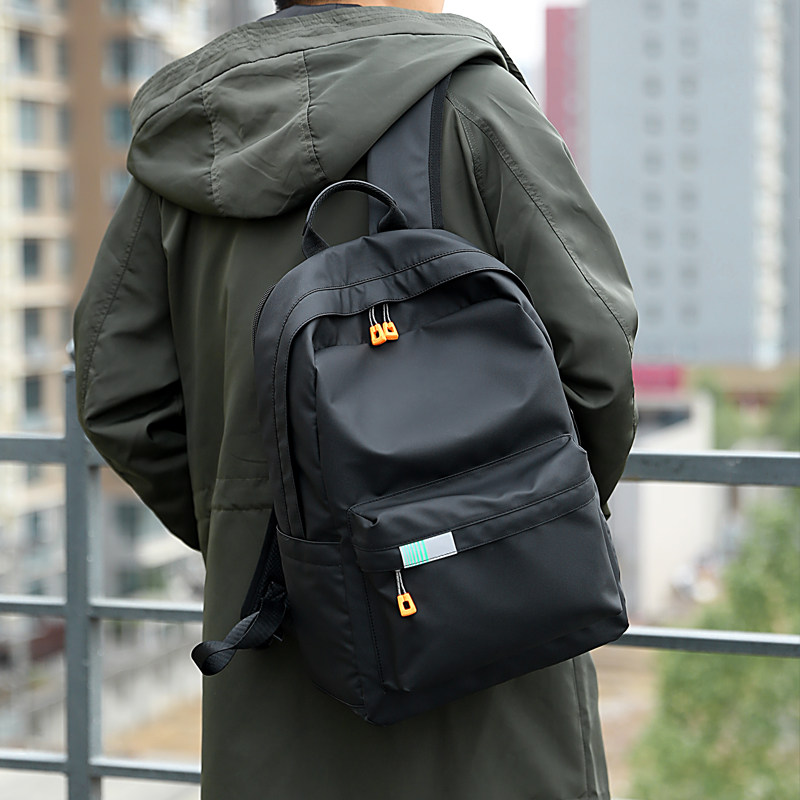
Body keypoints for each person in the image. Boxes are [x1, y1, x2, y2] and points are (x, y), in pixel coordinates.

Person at [74, 1, 637, 798]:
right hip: (491, 643)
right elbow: (596, 355)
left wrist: (266, 528)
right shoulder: (474, 102)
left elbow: (117, 393)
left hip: (272, 638)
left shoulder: (191, 135)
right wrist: (519, 520)